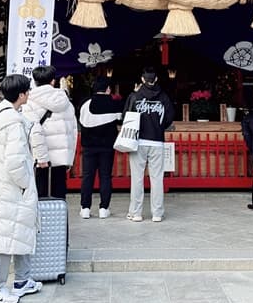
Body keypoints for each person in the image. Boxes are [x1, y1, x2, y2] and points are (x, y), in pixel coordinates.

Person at [0, 74, 50, 303]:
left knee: (18, 232)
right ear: (21, 95)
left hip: (0, 184)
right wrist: (26, 184)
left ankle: (22, 280)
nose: (29, 94)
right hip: (9, 189)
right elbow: (14, 162)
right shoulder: (14, 123)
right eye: (27, 91)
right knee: (4, 236)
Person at [124, 68, 175, 222]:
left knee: (137, 178)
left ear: (142, 79)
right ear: (156, 79)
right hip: (157, 141)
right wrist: (159, 127)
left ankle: (136, 212)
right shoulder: (164, 97)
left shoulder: (135, 96)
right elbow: (169, 117)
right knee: (157, 178)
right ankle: (157, 213)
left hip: (138, 141)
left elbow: (126, 115)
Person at [23, 65, 77, 200]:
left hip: (38, 158)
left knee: (39, 195)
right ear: (53, 81)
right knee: (59, 195)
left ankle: (41, 221)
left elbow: (30, 130)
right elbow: (73, 129)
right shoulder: (66, 102)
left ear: (34, 81)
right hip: (61, 158)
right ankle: (59, 220)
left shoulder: (29, 102)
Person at [78, 77, 123, 219]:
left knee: (87, 177)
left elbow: (80, 121)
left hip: (89, 146)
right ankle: (104, 208)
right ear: (108, 89)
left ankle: (85, 208)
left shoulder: (85, 103)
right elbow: (121, 120)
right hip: (107, 146)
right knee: (105, 176)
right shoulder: (114, 103)